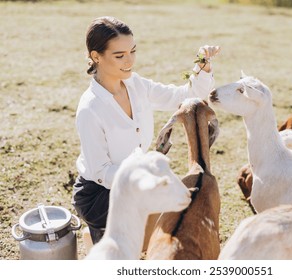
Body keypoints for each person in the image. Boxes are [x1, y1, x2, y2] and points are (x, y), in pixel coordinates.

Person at [71, 16, 220, 244]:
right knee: (162, 219)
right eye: (119, 56)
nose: (129, 60)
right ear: (95, 57)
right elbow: (102, 173)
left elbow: (184, 96)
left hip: (137, 182)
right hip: (100, 194)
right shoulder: (90, 108)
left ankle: (99, 239)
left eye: (133, 51)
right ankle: (100, 237)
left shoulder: (135, 84)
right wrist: (146, 176)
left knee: (175, 213)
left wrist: (202, 67)